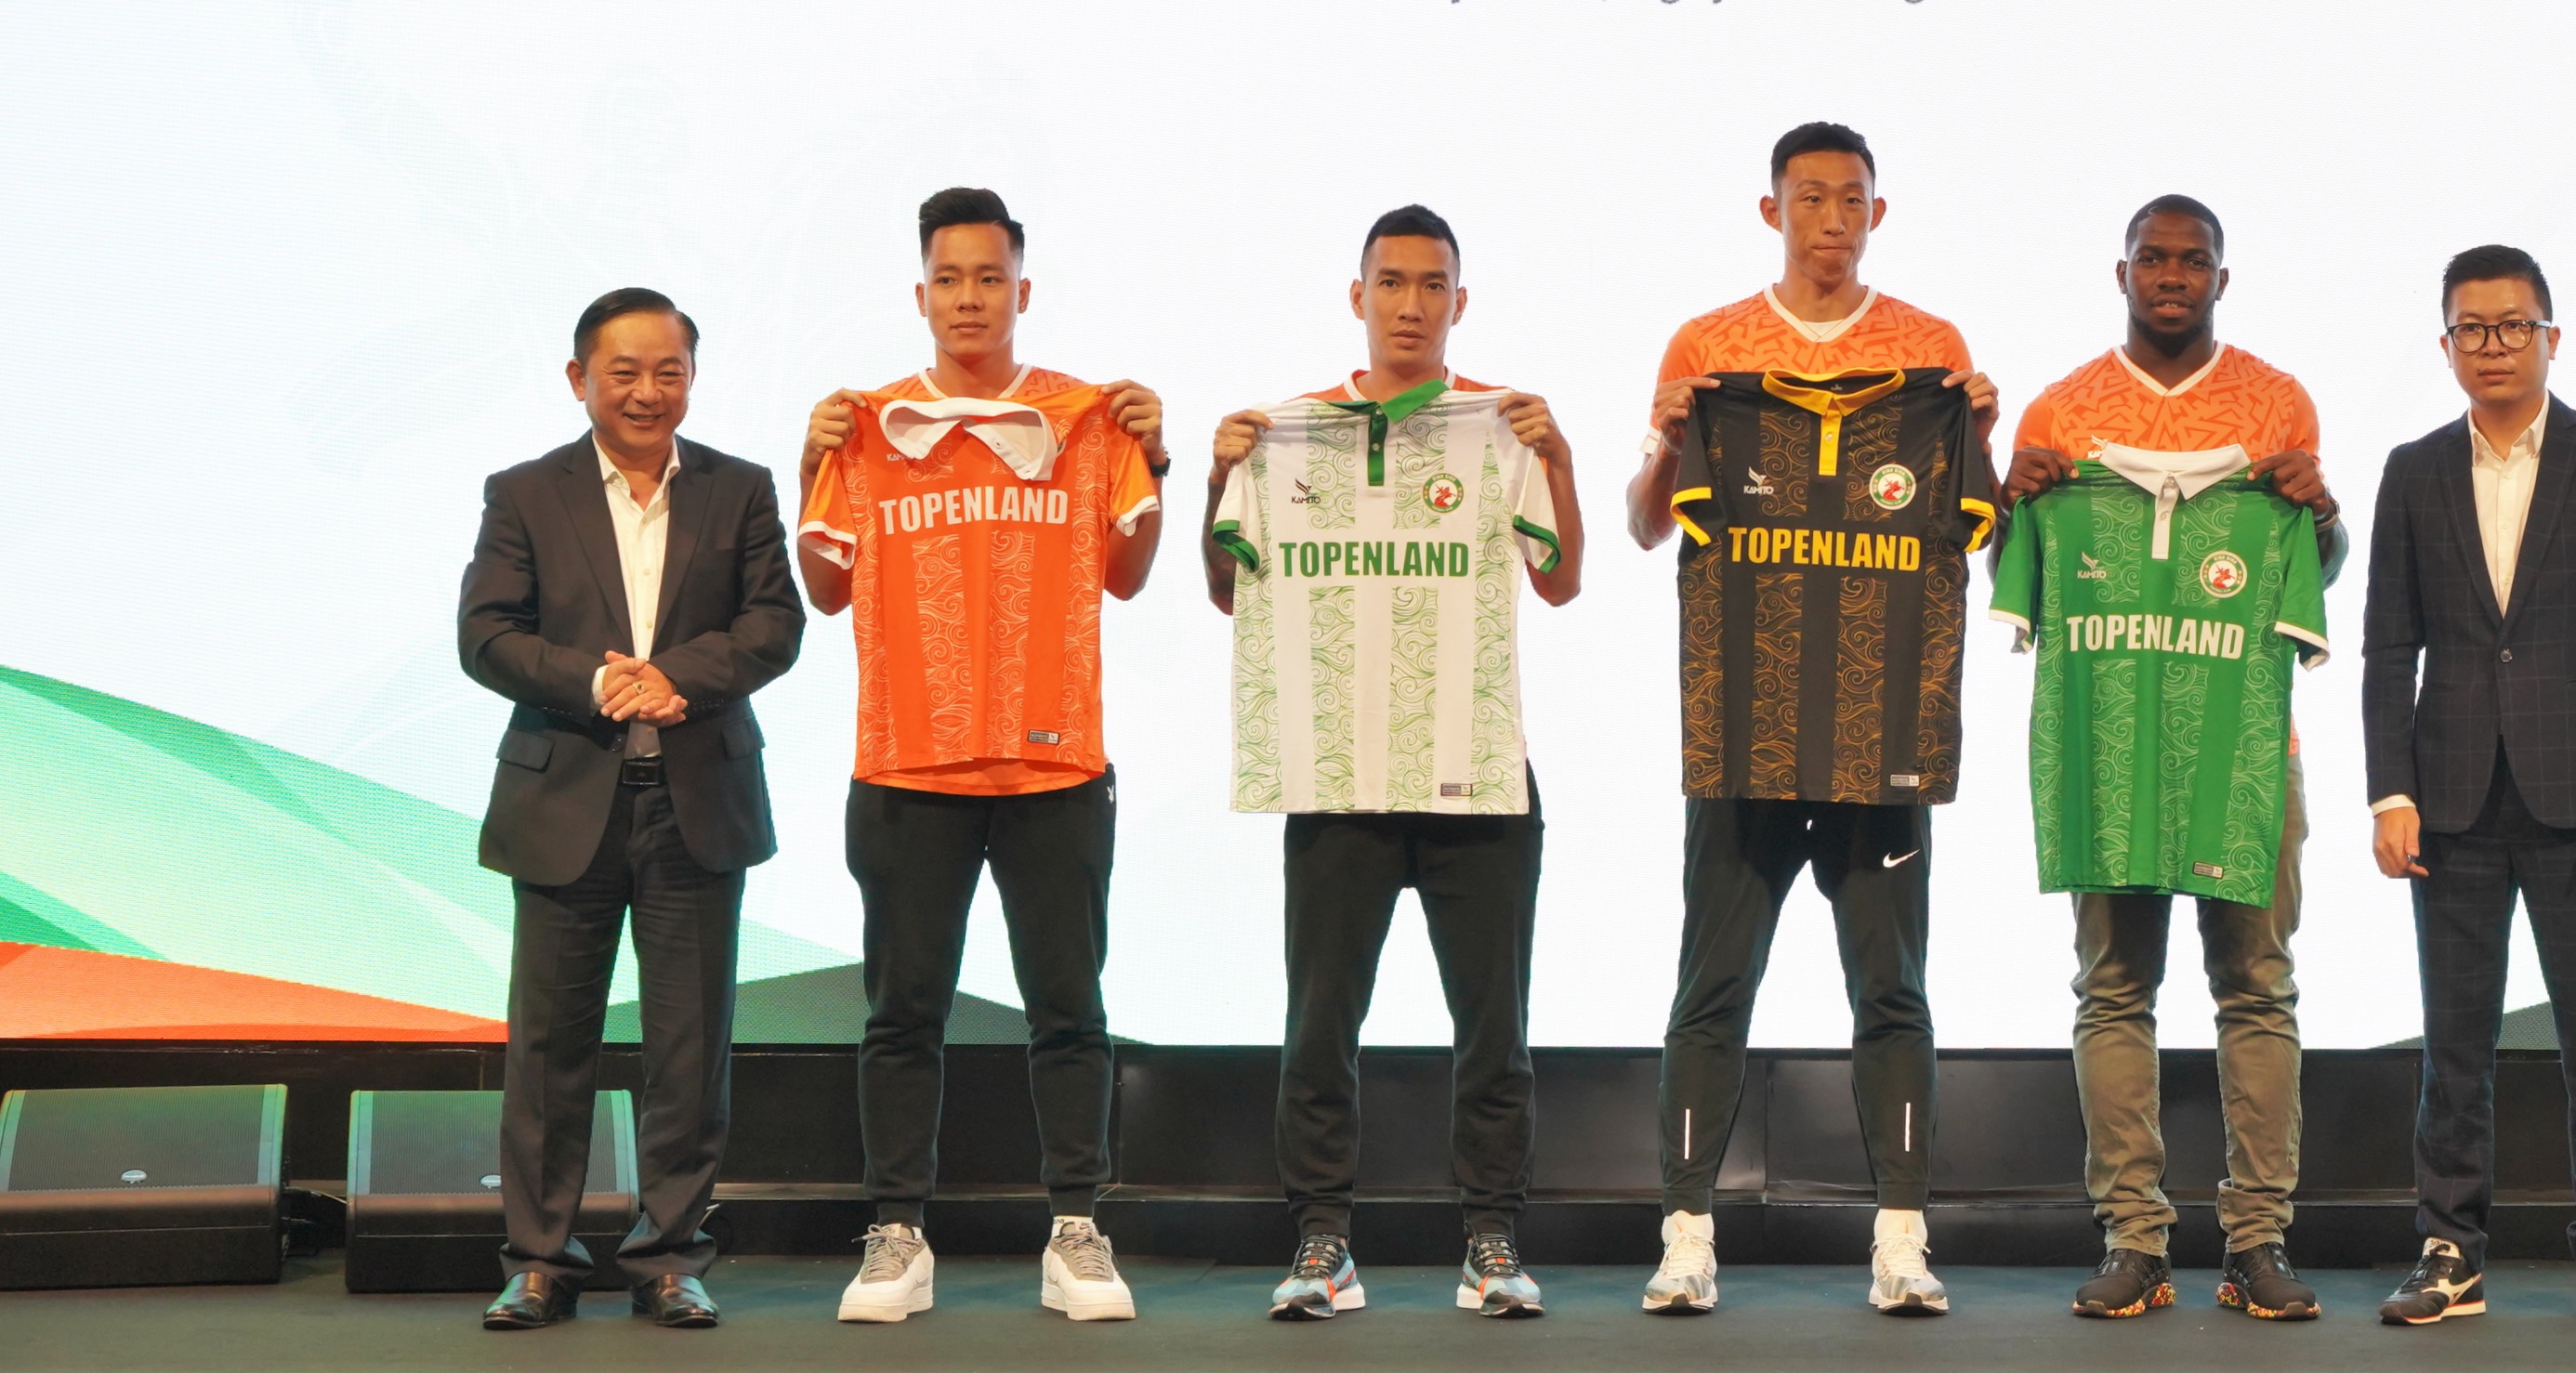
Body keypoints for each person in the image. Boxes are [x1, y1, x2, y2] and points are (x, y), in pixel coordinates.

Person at [1623, 122, 1997, 1317]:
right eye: (1810, 199)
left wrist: (1976, 430)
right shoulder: (1709, 349)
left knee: (1891, 993)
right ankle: (1686, 1234)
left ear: (1876, 214)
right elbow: (1646, 523)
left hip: (1881, 739)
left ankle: (1902, 1238)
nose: (1830, 219)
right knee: (1712, 988)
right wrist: (1671, 439)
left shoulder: (1933, 354)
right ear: (1772, 209)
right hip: (1745, 733)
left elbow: (1978, 529)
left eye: (1850, 200)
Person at [1201, 204, 1585, 1322]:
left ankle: (1493, 1243)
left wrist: (1560, 459)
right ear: (1357, 295)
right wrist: (1213, 483)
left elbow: (1560, 584)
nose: (1410, 304)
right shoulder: (1284, 431)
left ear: (1459, 301)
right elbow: (1229, 592)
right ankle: (1323, 1243)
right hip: (1333, 777)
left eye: (1431, 285)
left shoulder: (1504, 425)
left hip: (1478, 772)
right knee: (1320, 1029)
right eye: (1391, 282)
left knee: (1494, 1031)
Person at [794, 188, 1169, 1325]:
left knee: (1069, 1008)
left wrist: (1155, 459)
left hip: (1056, 766)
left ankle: (1077, 1229)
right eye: (949, 279)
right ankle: (897, 1235)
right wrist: (803, 465)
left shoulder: (1087, 417)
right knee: (902, 1014)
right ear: (921, 294)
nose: (970, 298)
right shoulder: (868, 424)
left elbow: (1127, 575)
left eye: (989, 278)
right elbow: (825, 591)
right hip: (908, 765)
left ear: (1022, 290)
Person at [1999, 196, 2346, 1323]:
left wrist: (2322, 516)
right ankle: (2134, 1242)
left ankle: (2258, 1241)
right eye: (2154, 258)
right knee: (2114, 990)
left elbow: (2314, 566)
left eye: (2194, 261)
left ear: (2220, 280)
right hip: (2110, 750)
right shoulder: (2060, 413)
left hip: (2247, 750)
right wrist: (2012, 509)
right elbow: (2018, 577)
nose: (2172, 276)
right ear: (2123, 272)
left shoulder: (2280, 402)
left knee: (2257, 986)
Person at [459, 288, 805, 1331]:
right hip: (566, 798)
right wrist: (599, 680)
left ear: (692, 378)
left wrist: (676, 677)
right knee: (548, 1047)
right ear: (580, 379)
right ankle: (539, 1261)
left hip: (696, 801)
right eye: (625, 372)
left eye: (669, 371)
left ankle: (668, 1259)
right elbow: (487, 634)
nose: (648, 391)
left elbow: (775, 623)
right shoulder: (527, 491)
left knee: (689, 1050)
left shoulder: (740, 489)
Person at [2362, 245, 2576, 1330]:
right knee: (2453, 1048)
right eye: (2473, 328)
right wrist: (2390, 793)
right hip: (2450, 801)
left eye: (2514, 326)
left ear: (2553, 337)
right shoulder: (2414, 469)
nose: (2493, 346)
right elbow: (2388, 649)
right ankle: (2449, 1251)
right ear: (2445, 343)